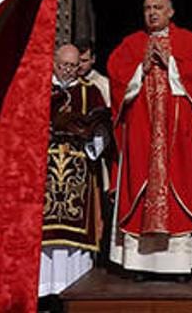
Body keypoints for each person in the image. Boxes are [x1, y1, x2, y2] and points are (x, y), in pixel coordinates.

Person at [107, 0, 192, 274]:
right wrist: (140, 69)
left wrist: (172, 64)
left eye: (158, 8)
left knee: (181, 183)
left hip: (178, 130)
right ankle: (139, 262)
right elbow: (117, 75)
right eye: (147, 8)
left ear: (171, 12)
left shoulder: (190, 42)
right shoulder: (131, 44)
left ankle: (184, 262)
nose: (152, 13)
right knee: (139, 185)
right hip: (142, 130)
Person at [40, 44, 110, 297]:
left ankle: (74, 287)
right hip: (45, 166)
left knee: (76, 230)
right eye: (63, 65)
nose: (68, 71)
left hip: (78, 165)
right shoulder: (40, 87)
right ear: (53, 62)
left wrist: (90, 137)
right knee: (44, 229)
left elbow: (103, 129)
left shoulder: (90, 91)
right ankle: (43, 287)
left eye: (73, 66)